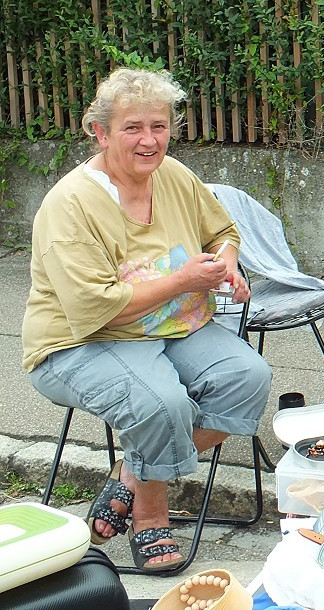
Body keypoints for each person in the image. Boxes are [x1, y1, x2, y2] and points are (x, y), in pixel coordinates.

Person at [21, 67, 273, 570]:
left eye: (159, 126)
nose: (149, 139)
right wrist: (184, 280)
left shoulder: (174, 175)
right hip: (80, 341)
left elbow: (221, 229)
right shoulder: (70, 204)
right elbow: (93, 308)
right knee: (160, 404)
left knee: (247, 378)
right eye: (133, 127)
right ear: (101, 132)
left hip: (168, 326)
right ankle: (152, 521)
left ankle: (131, 477)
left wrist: (225, 260)